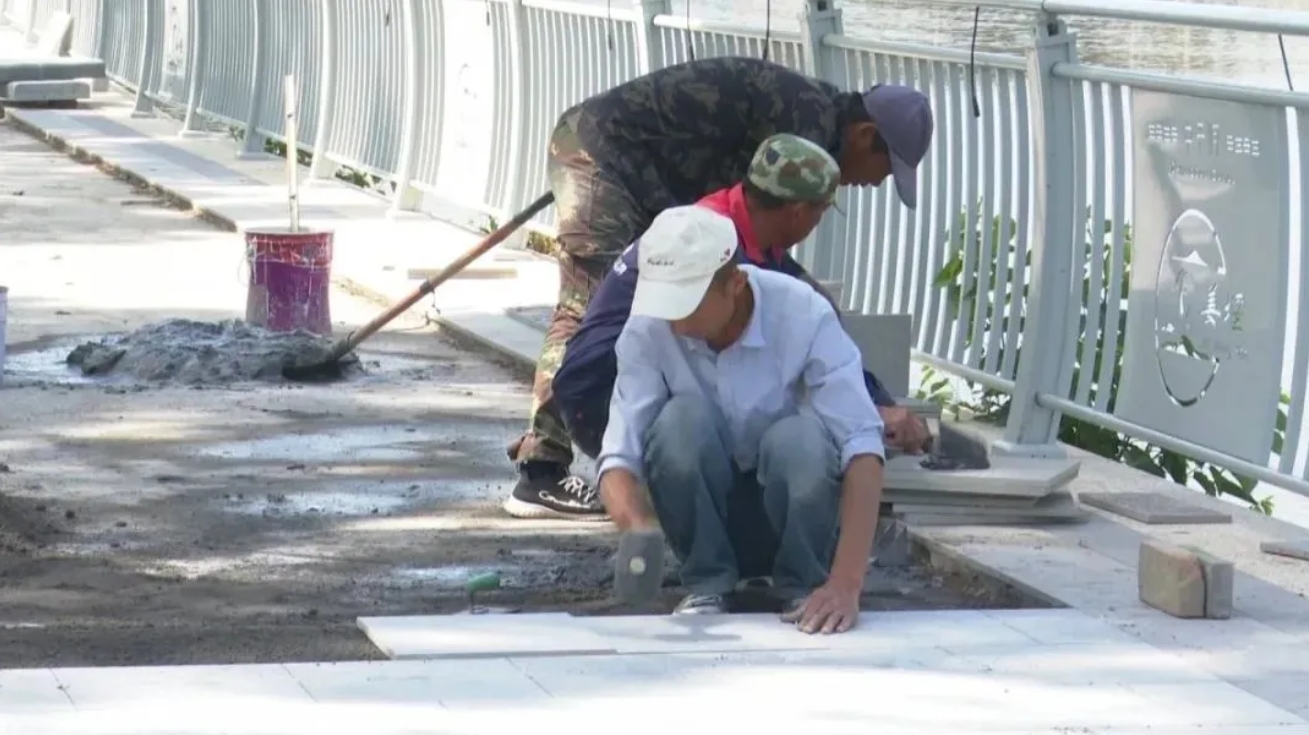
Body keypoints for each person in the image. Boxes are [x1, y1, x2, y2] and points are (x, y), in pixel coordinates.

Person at [503, 55, 934, 521]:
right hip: (603, 155)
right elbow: (767, 269)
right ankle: (542, 468)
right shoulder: (804, 126)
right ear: (865, 135)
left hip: (645, 172)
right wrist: (870, 405)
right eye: (884, 169)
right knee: (591, 302)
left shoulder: (813, 117)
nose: (872, 183)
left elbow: (764, 261)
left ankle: (641, 452)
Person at [597, 205, 886, 633]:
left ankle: (804, 585)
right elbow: (619, 454)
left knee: (801, 439)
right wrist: (639, 529)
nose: (675, 323)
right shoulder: (649, 329)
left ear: (735, 283)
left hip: (790, 514)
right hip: (703, 521)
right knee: (679, 424)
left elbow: (862, 446)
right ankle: (707, 583)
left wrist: (847, 583)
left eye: (687, 305)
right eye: (666, 305)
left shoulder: (803, 313)